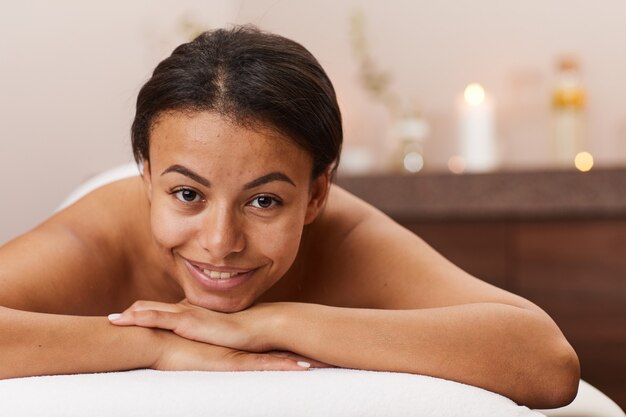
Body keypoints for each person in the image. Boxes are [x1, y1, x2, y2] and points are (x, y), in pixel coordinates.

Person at [0, 25, 579, 408]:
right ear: (147, 177)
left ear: (317, 194)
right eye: (187, 195)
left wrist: (267, 322)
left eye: (264, 201)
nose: (220, 242)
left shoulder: (344, 234)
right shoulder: (99, 235)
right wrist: (156, 345)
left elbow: (547, 362)